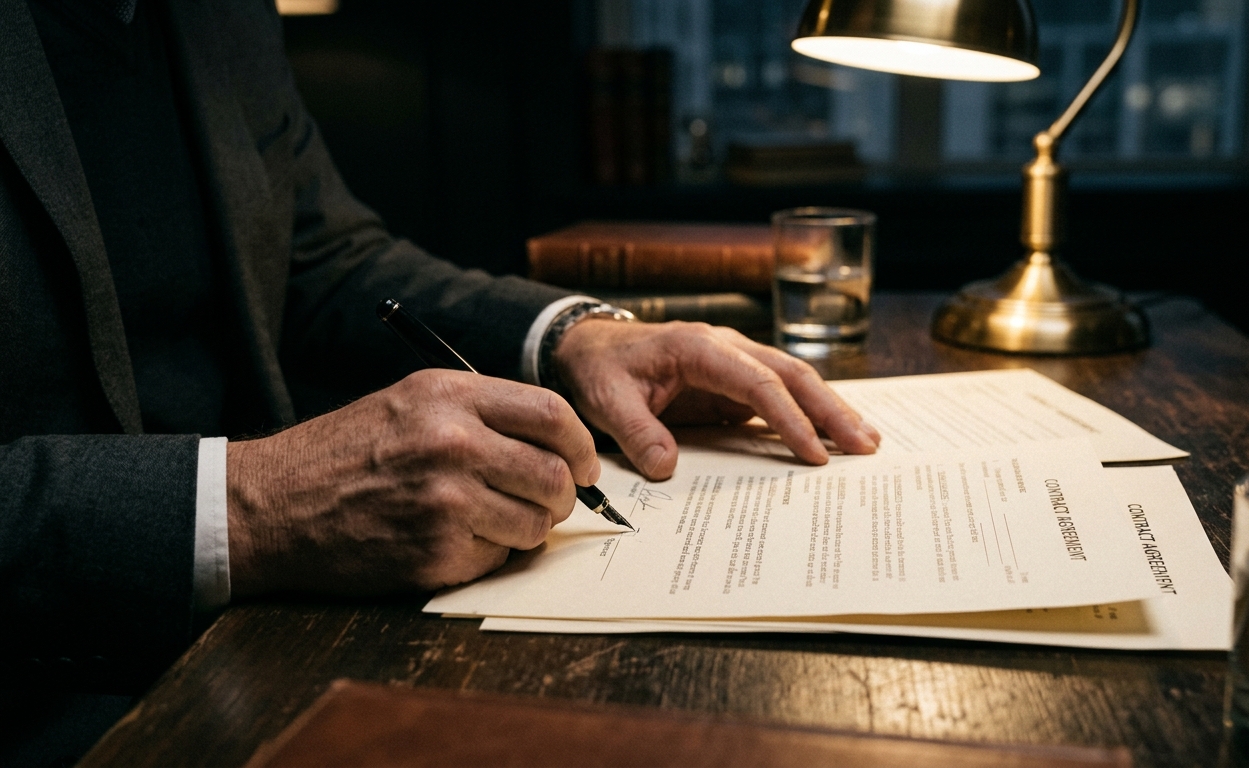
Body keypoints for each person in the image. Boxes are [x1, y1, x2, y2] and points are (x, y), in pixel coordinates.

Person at [0, 0, 879, 708]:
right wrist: (250, 506)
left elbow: (322, 256)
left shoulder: (215, 15)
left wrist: (578, 338)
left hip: (255, 654)